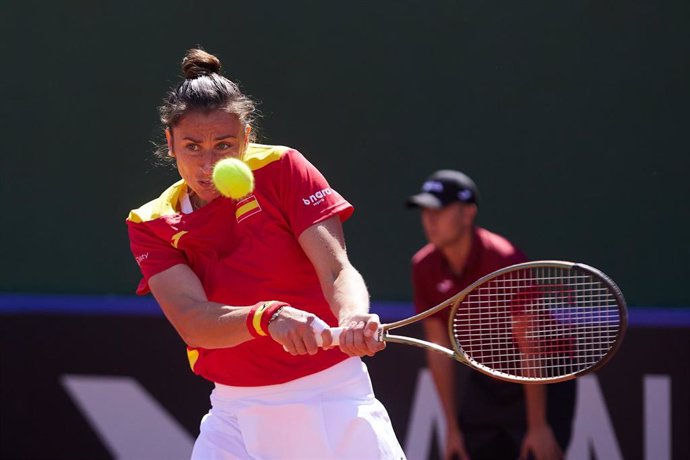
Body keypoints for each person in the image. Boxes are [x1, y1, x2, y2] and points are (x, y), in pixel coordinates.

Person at [126, 47, 405, 460]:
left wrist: (352, 316)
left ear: (247, 137)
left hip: (331, 399)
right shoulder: (151, 222)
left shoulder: (284, 168)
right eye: (192, 146)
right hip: (233, 413)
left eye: (224, 145)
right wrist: (266, 317)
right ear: (170, 143)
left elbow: (335, 270)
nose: (208, 164)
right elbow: (193, 322)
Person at [406, 170, 575, 460]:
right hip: (488, 375)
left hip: (541, 376)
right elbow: (439, 351)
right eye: (425, 211)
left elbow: (530, 345)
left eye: (440, 210)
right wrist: (451, 428)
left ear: (468, 213)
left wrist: (537, 426)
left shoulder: (504, 259)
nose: (429, 220)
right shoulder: (424, 265)